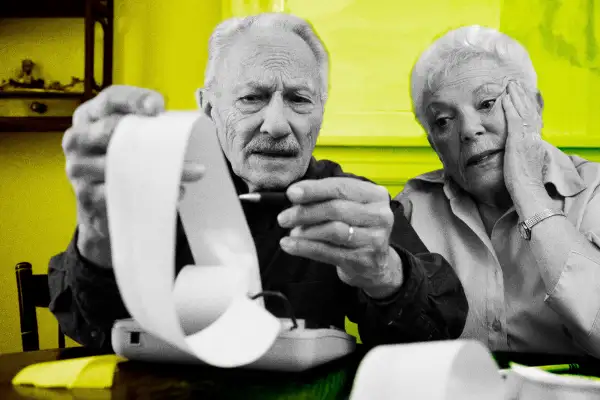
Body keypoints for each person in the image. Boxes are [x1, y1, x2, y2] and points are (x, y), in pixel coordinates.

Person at [48, 13, 467, 351]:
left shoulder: (349, 204)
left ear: (321, 111)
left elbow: (434, 334)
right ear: (207, 107)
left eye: (299, 100)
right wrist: (99, 230)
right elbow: (92, 331)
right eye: (252, 97)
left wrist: (384, 272)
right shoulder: (159, 190)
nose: (277, 124)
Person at [397, 25, 600, 357]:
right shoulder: (412, 212)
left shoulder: (593, 193)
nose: (468, 129)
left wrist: (529, 191)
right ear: (434, 143)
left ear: (534, 108)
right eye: (444, 121)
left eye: (487, 103)